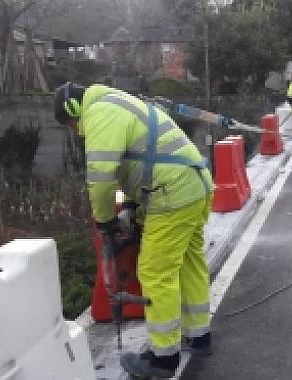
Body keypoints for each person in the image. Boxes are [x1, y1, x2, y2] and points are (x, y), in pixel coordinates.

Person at [54, 83, 214, 378]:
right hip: (196, 185)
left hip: (173, 194)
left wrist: (105, 221)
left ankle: (163, 358)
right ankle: (199, 335)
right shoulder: (122, 103)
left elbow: (101, 180)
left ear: (74, 111)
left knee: (155, 271)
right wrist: (130, 205)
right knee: (190, 263)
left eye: (71, 124)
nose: (75, 131)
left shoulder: (99, 114)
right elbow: (142, 156)